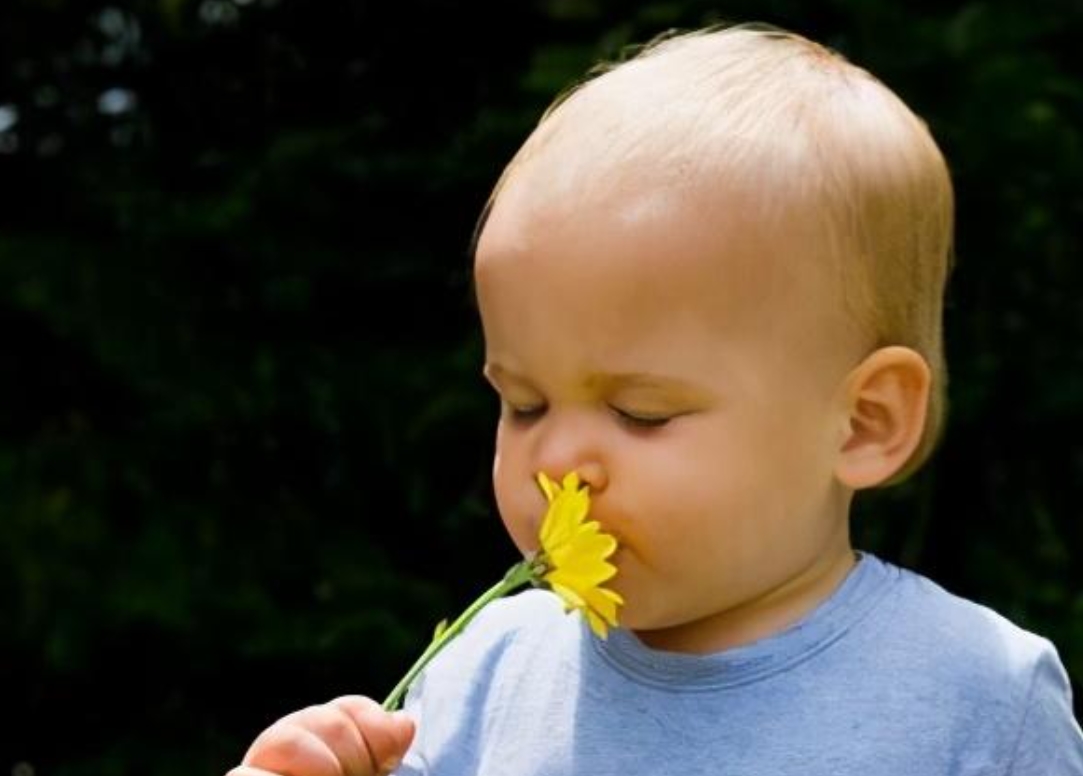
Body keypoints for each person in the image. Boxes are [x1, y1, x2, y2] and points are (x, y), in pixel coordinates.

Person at [228, 23, 1083, 776]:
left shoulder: (975, 693)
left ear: (862, 421)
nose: (555, 462)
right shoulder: (477, 677)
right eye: (524, 405)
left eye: (640, 414)